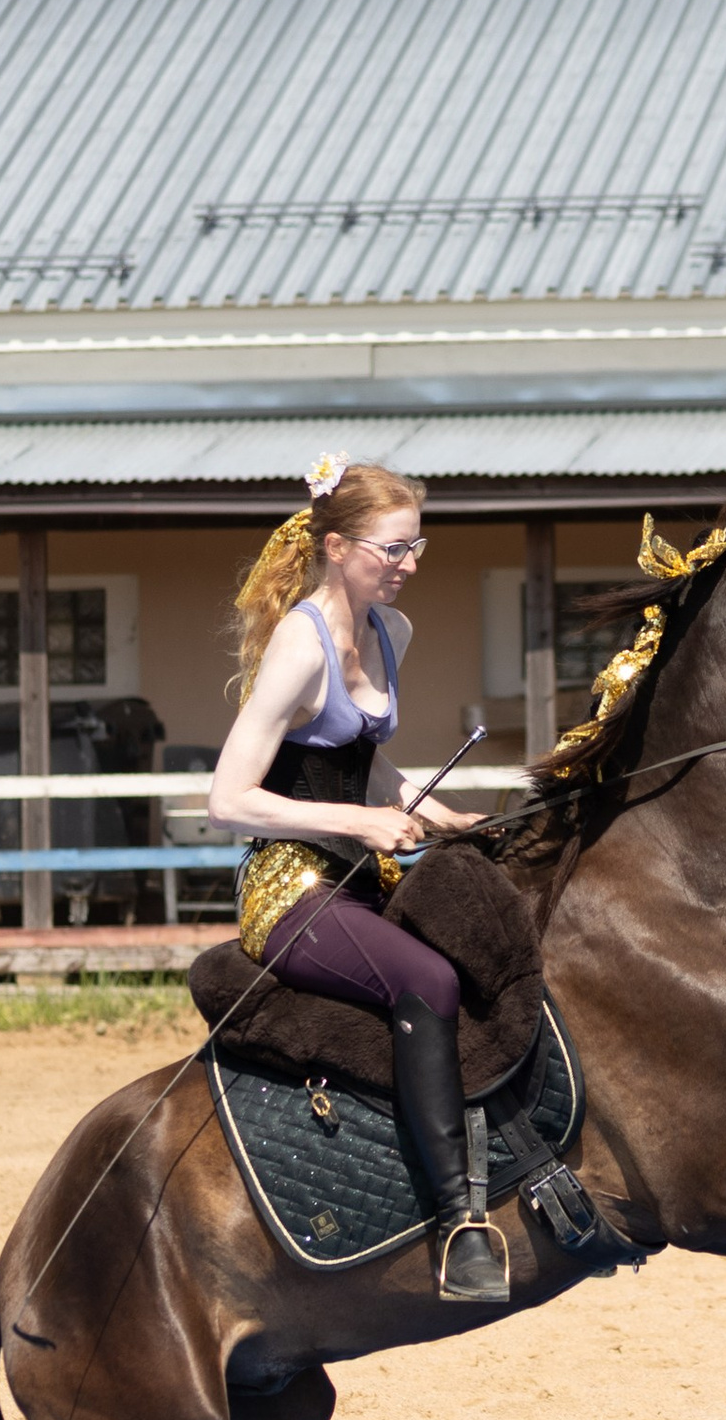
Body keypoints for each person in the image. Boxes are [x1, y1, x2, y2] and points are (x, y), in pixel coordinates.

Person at [208, 453, 508, 1300]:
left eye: (418, 548)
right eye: (392, 550)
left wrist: (445, 816)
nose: (408, 566)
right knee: (427, 978)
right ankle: (459, 1224)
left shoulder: (391, 632)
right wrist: (363, 822)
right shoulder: (300, 646)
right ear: (338, 547)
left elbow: (370, 767)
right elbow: (228, 798)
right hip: (290, 887)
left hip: (361, 872)